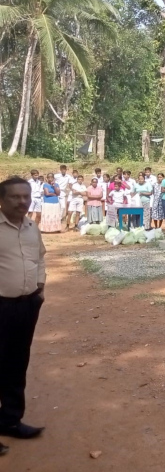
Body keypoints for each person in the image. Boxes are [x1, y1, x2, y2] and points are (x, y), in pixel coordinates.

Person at [1, 178, 48, 455]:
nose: (22, 202)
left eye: (25, 196)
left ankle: (10, 420)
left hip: (27, 306)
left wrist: (39, 287)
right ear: (2, 200)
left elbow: (40, 258)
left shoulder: (32, 227)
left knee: (17, 364)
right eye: (14, 197)